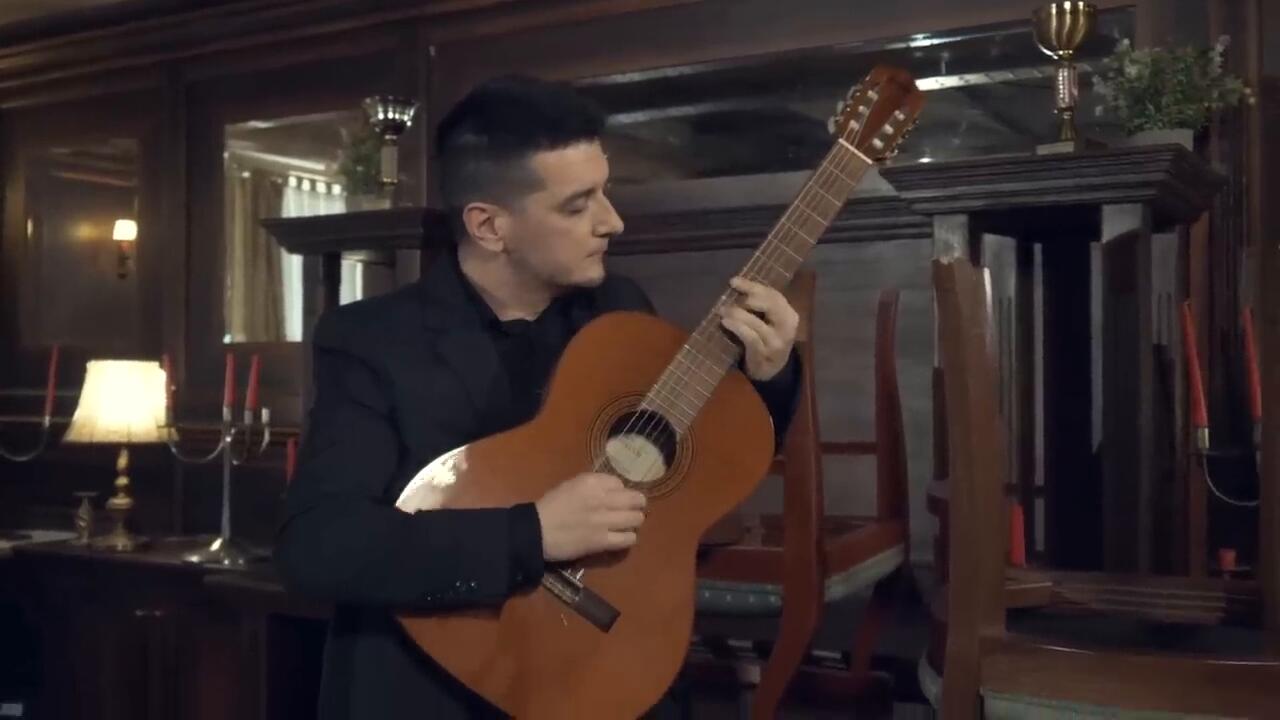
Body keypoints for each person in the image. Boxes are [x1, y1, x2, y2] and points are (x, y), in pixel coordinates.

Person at [275, 74, 801, 720]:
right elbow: (319, 547)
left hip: (602, 668)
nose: (612, 221)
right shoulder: (371, 341)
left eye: (605, 191)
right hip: (435, 688)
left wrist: (769, 373)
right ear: (489, 225)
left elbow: (691, 461)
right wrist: (533, 533)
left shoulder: (620, 308)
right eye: (577, 206)